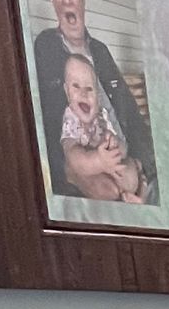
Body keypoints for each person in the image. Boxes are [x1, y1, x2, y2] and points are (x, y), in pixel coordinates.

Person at [32, 0, 157, 205]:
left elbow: (132, 116)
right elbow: (41, 126)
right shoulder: (44, 47)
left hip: (127, 165)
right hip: (83, 178)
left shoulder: (100, 50)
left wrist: (142, 170)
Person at [58, 53, 147, 203]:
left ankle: (135, 192)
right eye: (76, 86)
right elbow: (72, 155)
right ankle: (124, 193)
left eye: (89, 89)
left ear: (98, 96)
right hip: (85, 168)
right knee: (103, 189)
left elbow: (122, 149)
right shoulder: (70, 118)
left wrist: (114, 147)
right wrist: (99, 161)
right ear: (67, 92)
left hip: (106, 165)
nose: (83, 93)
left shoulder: (102, 115)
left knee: (130, 176)